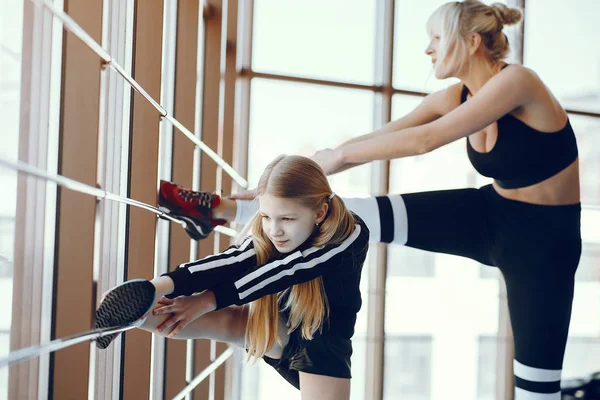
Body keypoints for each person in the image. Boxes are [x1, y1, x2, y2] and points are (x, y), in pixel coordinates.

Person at [159, 1, 582, 398]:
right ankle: (216, 210)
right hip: (489, 212)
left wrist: (338, 158)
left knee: (536, 389)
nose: (428, 49)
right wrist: (294, 175)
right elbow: (386, 134)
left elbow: (425, 140)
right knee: (347, 216)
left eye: (436, 37)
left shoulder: (518, 82)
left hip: (544, 243)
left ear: (471, 41)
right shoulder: (458, 95)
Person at [95, 155, 370, 400]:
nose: (274, 230)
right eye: (265, 217)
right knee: (224, 320)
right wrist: (162, 284)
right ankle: (137, 313)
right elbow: (230, 261)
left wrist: (206, 300)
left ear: (320, 212)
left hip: (320, 343)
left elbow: (288, 270)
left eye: (287, 219)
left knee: (223, 316)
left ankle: (137, 310)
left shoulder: (351, 233)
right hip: (281, 332)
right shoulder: (270, 234)